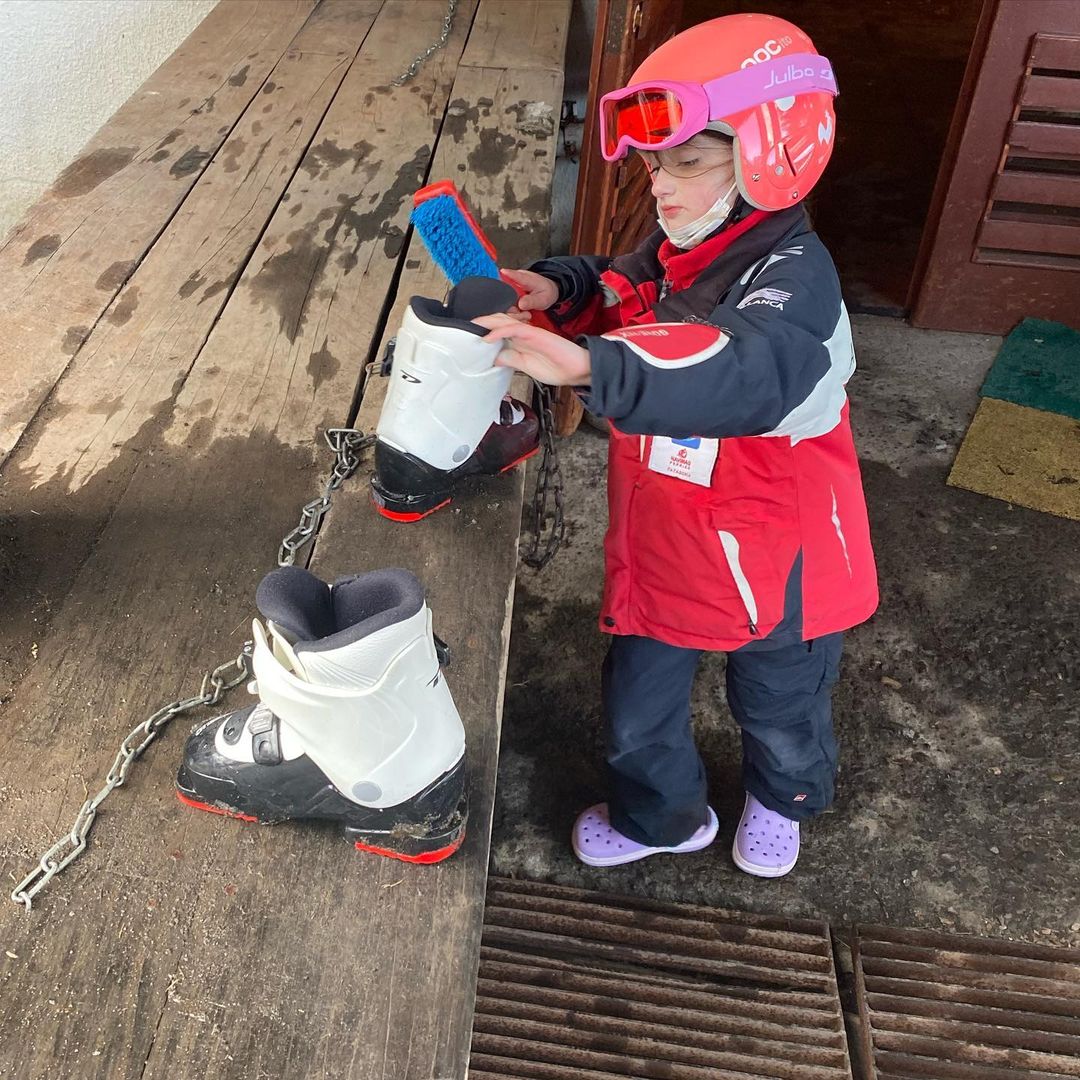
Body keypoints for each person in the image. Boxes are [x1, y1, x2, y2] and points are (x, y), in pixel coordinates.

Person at [474, 13, 878, 878]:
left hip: (782, 551)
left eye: (689, 161)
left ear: (774, 149)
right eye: (658, 164)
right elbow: (630, 282)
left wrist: (593, 364)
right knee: (635, 705)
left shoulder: (797, 284)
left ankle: (784, 797)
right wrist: (562, 288)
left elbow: (741, 368)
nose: (661, 187)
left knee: (780, 700)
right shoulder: (685, 246)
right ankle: (662, 816)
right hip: (669, 537)